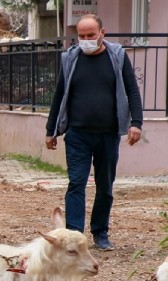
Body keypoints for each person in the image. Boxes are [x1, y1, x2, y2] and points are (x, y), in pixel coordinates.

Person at [45, 13, 142, 251]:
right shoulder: (71, 59)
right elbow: (59, 95)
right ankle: (76, 236)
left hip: (108, 134)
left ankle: (100, 233)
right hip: (77, 134)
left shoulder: (117, 57)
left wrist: (136, 123)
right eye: (81, 36)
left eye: (90, 35)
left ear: (102, 33)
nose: (86, 40)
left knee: (105, 185)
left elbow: (132, 90)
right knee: (76, 183)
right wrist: (51, 130)